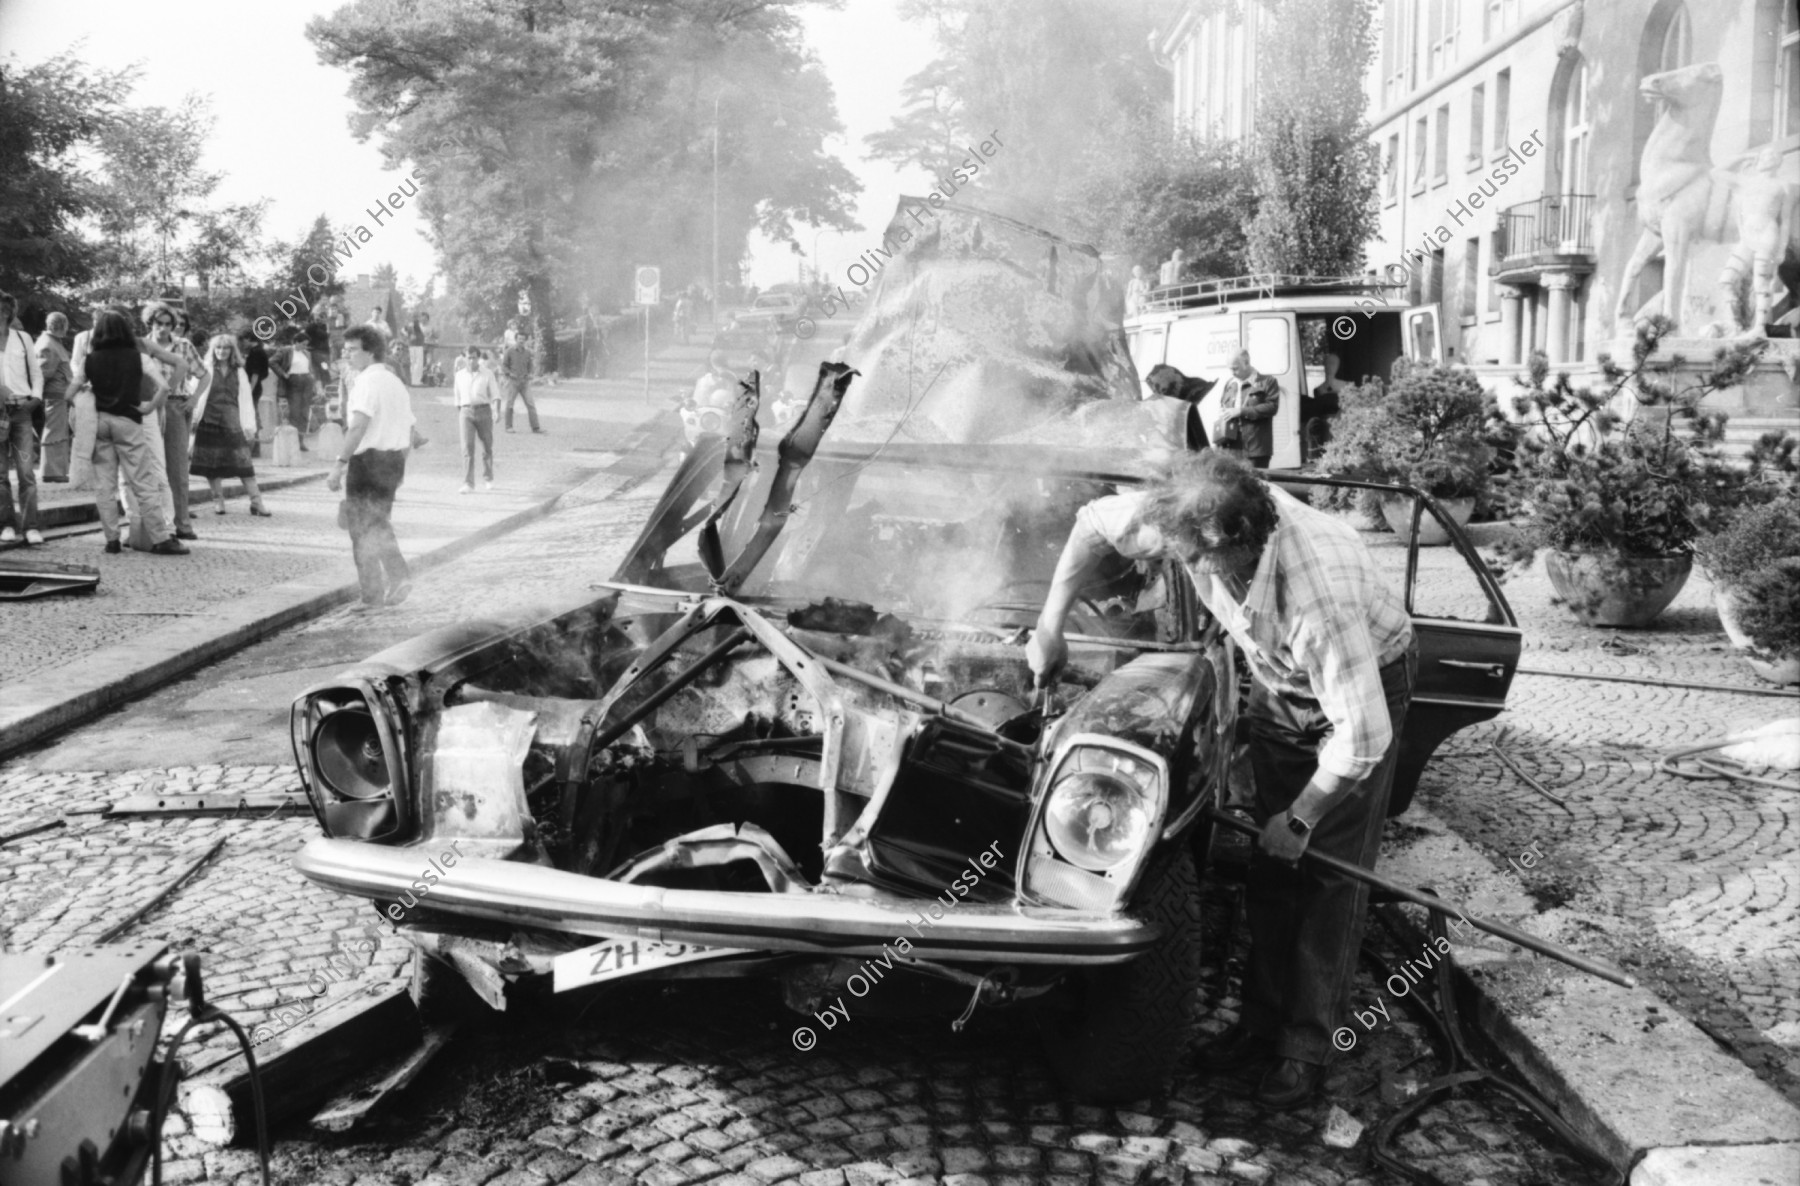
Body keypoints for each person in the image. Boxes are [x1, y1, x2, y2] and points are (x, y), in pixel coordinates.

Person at [1026, 450, 1416, 1109]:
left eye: (1197, 562)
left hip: (1363, 689)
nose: (1185, 569)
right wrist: (1049, 621)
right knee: (1270, 873)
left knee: (1327, 875)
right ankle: (1258, 1024)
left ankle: (1306, 1049)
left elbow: (1363, 737)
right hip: (1280, 680)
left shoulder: (1317, 597)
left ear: (1240, 542)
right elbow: (1095, 522)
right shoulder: (1186, 515)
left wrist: (1299, 818)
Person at [77, 309, 188, 555]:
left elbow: (75, 388)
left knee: (112, 483)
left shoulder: (93, 356)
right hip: (132, 416)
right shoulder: (137, 353)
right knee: (143, 479)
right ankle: (156, 535)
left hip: (105, 419)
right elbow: (170, 378)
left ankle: (116, 538)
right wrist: (155, 403)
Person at [327, 324, 414, 607]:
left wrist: (339, 463)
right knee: (376, 523)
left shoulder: (366, 381)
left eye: (352, 350)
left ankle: (385, 585)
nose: (347, 355)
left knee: (363, 528)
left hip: (367, 462)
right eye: (345, 349)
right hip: (393, 461)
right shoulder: (395, 382)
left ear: (371, 352)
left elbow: (358, 427)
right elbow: (411, 429)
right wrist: (399, 462)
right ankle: (383, 587)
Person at [190, 334, 272, 517]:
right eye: (218, 348)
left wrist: (249, 425)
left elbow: (245, 400)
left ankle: (256, 503)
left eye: (226, 348)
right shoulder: (206, 369)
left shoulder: (240, 371)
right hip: (209, 421)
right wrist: (193, 418)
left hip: (233, 422)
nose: (222, 351)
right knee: (211, 465)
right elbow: (194, 393)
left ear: (232, 351)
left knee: (244, 464)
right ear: (213, 350)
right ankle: (218, 501)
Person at [144, 303, 202, 539]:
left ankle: (182, 523)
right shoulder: (142, 345)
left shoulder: (183, 345)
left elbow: (203, 374)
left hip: (175, 404)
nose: (164, 329)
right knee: (146, 467)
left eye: (169, 324)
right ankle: (148, 525)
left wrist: (194, 399)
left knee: (177, 468)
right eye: (159, 324)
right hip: (148, 407)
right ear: (151, 324)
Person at [0, 291, 45, 544]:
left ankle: (31, 526)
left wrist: (35, 399)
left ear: (7, 311)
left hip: (21, 411)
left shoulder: (22, 338)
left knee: (26, 471)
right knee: (0, 474)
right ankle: (6, 524)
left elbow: (36, 373)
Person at [1212, 350, 1282, 469]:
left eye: (1235, 368)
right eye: (1230, 369)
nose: (1232, 373)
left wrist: (1240, 411)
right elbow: (1223, 406)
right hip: (1231, 449)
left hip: (1255, 450)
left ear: (1246, 362)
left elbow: (1272, 407)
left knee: (1256, 485)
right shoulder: (1230, 384)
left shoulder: (1267, 382)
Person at [453, 345, 499, 493]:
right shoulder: (459, 375)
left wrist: (496, 411)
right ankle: (468, 483)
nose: (471, 360)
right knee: (467, 447)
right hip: (466, 411)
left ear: (478, 358)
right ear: (464, 358)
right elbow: (457, 398)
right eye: (468, 357)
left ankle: (488, 478)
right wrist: (463, 413)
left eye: (474, 357)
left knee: (486, 445)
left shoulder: (487, 374)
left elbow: (495, 395)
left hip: (484, 410)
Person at [36, 312, 74, 484]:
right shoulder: (48, 345)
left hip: (58, 395)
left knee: (58, 432)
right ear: (62, 325)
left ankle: (56, 470)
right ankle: (51, 471)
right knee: (54, 432)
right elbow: (44, 373)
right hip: (54, 396)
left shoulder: (52, 343)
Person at [1144, 363, 1217, 452]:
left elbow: (1203, 448)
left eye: (1162, 390)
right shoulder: (1155, 411)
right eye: (1156, 390)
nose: (1158, 393)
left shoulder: (1186, 409)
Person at [270, 326, 317, 450]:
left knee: (304, 413)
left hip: (307, 381)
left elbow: (310, 369)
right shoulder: (286, 350)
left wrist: (313, 382)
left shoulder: (307, 353)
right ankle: (293, 441)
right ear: (296, 342)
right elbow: (272, 362)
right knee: (295, 412)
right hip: (294, 381)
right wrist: (283, 374)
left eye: (306, 345)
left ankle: (301, 441)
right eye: (302, 344)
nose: (304, 347)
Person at [501, 336, 540, 433]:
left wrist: (531, 373)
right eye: (520, 339)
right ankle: (508, 427)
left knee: (531, 404)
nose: (522, 340)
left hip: (525, 382)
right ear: (516, 339)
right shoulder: (509, 351)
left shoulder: (527, 352)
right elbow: (504, 365)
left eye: (523, 339)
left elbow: (530, 365)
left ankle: (535, 427)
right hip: (513, 382)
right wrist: (509, 373)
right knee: (510, 404)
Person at [405, 316, 426, 385]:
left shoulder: (419, 326)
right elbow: (403, 331)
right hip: (413, 345)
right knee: (415, 363)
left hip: (418, 345)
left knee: (416, 363)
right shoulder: (410, 326)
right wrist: (408, 336)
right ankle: (414, 380)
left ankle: (416, 380)